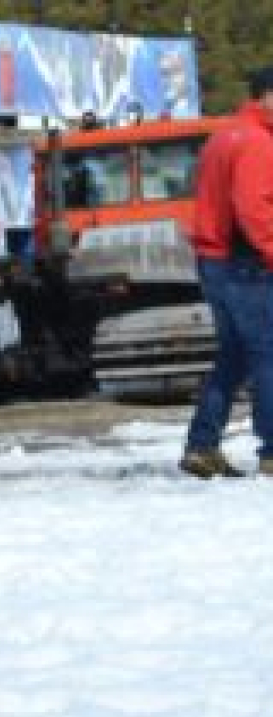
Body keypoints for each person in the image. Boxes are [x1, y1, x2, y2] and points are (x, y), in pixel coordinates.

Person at [180, 64, 273, 480]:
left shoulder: (224, 135)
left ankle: (202, 446)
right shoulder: (258, 142)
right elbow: (255, 209)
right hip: (247, 264)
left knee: (233, 357)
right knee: (267, 357)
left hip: (215, 260)